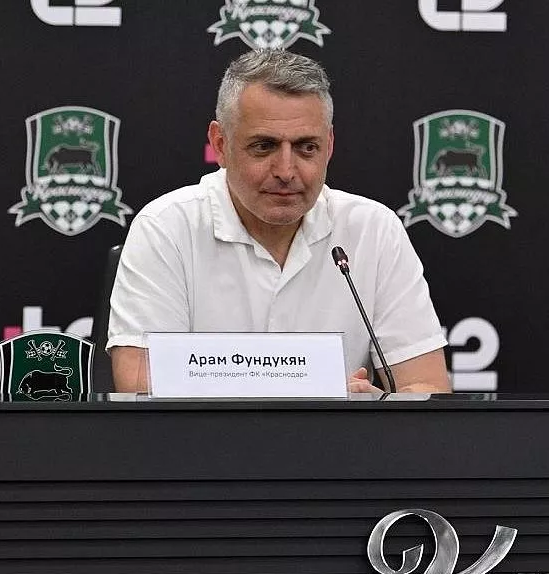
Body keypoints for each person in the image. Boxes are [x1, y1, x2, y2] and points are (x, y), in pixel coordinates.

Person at [107, 49, 450, 393]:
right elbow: (141, 388)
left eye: (306, 148)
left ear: (329, 145)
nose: (286, 171)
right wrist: (316, 400)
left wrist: (376, 407)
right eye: (263, 146)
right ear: (220, 144)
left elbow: (427, 386)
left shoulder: (374, 230)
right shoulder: (165, 228)